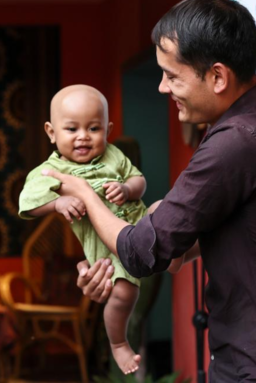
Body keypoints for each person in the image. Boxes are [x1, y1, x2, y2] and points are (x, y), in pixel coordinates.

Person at [48, 0, 256, 381]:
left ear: (218, 76)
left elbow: (141, 252)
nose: (162, 89)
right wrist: (152, 248)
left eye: (172, 76)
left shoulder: (236, 141)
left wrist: (83, 192)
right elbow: (218, 237)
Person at [19, 84, 155, 375]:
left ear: (108, 129)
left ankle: (175, 254)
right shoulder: (50, 171)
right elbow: (27, 203)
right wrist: (57, 203)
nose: (83, 136)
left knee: (162, 212)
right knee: (123, 294)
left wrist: (127, 188)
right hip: (108, 249)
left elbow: (139, 180)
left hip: (140, 225)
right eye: (71, 129)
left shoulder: (114, 155)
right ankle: (118, 343)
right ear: (51, 132)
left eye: (93, 128)